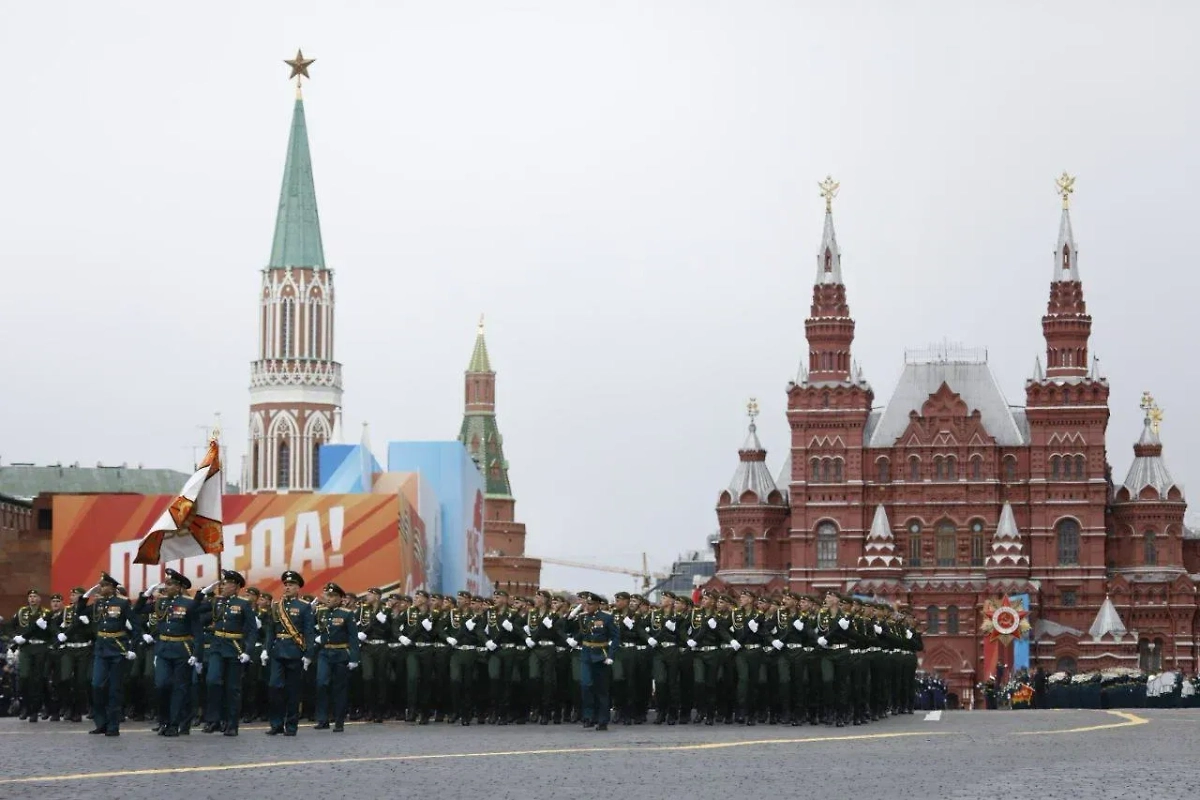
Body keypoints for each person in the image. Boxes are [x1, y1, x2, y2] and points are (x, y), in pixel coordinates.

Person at [133, 568, 202, 737]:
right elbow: (137, 611)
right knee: (162, 685)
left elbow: (198, 631)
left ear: (179, 587)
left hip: (182, 650)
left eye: (170, 584)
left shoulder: (189, 603)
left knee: (179, 688)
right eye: (166, 583)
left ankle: (174, 724)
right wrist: (145, 595)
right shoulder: (161, 603)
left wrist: (197, 654)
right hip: (163, 649)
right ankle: (164, 720)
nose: (166, 587)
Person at [77, 572, 137, 736]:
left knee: (114, 689)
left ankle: (113, 726)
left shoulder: (122, 604)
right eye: (99, 585)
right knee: (96, 685)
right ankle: (101, 722)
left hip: (118, 649)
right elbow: (80, 611)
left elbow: (136, 626)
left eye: (103, 586)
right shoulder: (98, 604)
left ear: (111, 587)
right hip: (101, 649)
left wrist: (133, 648)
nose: (100, 588)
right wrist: (87, 595)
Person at [199, 569, 257, 736]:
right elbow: (196, 610)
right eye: (223, 582)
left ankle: (231, 724)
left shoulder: (243, 604)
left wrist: (248, 651)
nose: (223, 585)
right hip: (217, 647)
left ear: (236, 586)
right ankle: (214, 719)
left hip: (234, 649)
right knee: (212, 681)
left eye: (227, 583)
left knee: (232, 688)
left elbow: (252, 630)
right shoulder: (217, 602)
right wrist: (203, 593)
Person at [263, 570, 315, 736]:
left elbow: (309, 632)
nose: (287, 587)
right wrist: (266, 649)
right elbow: (271, 631)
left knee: (293, 691)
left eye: (291, 585)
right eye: (285, 584)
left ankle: (291, 726)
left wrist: (308, 653)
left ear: (298, 587)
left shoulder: (304, 607)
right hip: (278, 652)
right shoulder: (276, 606)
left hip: (295, 651)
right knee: (274, 687)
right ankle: (276, 724)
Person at [313, 582, 359, 732]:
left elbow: (353, 637)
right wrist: (316, 638)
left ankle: (339, 721)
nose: (329, 598)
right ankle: (322, 719)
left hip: (340, 653)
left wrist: (353, 658)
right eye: (328, 595)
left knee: (339, 688)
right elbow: (308, 627)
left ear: (340, 599)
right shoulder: (320, 611)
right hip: (324, 653)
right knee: (321, 684)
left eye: (333, 596)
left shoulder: (346, 614)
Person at [574, 591, 619, 731]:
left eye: (591, 604)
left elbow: (616, 637)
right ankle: (588, 716)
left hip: (601, 655)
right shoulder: (583, 618)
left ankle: (602, 720)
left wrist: (611, 656)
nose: (588, 606)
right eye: (587, 604)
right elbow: (582, 633)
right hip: (587, 654)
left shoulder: (607, 618)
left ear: (598, 605)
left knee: (601, 690)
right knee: (586, 685)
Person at [8, 588, 51, 722]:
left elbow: (53, 632)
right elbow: (11, 626)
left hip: (40, 647)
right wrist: (16, 637)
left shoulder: (46, 613)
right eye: (30, 596)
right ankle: (25, 706)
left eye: (35, 596)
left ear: (39, 599)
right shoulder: (21, 612)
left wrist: (46, 628)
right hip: (26, 647)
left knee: (37, 680)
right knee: (24, 677)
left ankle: (35, 710)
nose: (32, 598)